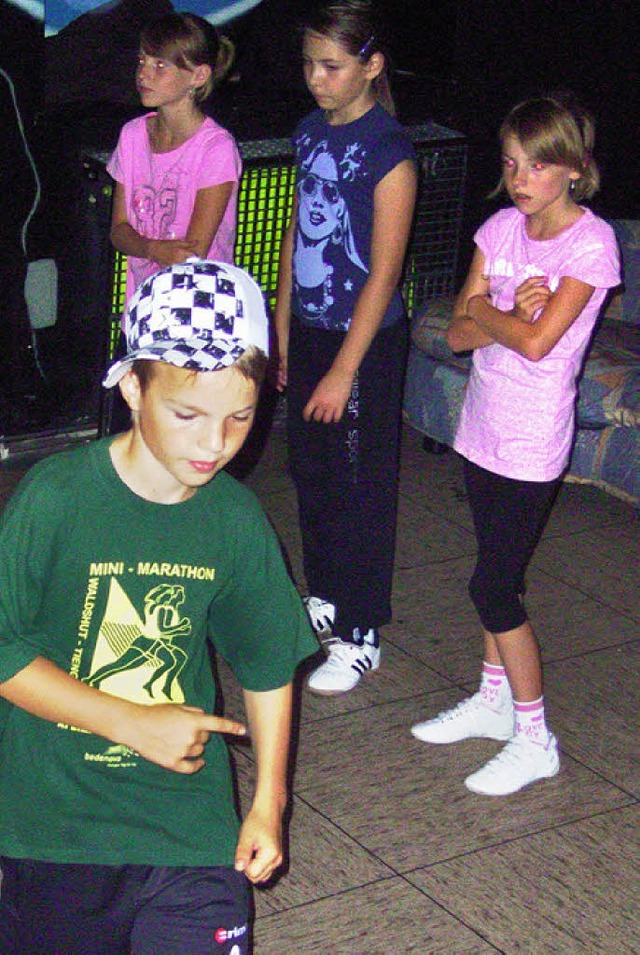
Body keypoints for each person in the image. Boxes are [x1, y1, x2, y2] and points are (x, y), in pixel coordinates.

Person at [0, 259, 318, 954]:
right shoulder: (55, 497)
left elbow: (267, 661)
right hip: (56, 823)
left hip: (187, 822)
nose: (215, 444)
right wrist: (131, 722)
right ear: (133, 386)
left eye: (240, 416)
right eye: (188, 414)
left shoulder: (232, 517)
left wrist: (270, 801)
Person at [411, 94, 620, 796]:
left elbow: (536, 344)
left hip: (533, 438)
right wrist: (504, 312)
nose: (520, 177)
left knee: (493, 585)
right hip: (482, 426)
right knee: (497, 570)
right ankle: (495, 699)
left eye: (537, 164)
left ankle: (536, 738)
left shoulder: (590, 244)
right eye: (511, 162)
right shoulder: (500, 228)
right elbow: (457, 331)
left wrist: (494, 315)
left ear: (573, 169)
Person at [274, 0, 417, 695]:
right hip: (312, 329)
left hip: (365, 342)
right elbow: (293, 236)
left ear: (371, 66)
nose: (316, 79)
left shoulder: (390, 150)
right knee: (313, 470)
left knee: (360, 485)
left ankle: (362, 629)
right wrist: (281, 331)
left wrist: (343, 368)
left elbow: (384, 270)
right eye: (309, 64)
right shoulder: (308, 132)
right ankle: (326, 591)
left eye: (330, 66)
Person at [107, 11, 241, 306]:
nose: (144, 73)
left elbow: (190, 255)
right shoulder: (131, 135)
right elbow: (118, 231)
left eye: (160, 65)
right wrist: (153, 248)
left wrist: (150, 248)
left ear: (198, 76)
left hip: (196, 310)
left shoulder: (216, 149)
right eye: (142, 60)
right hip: (142, 309)